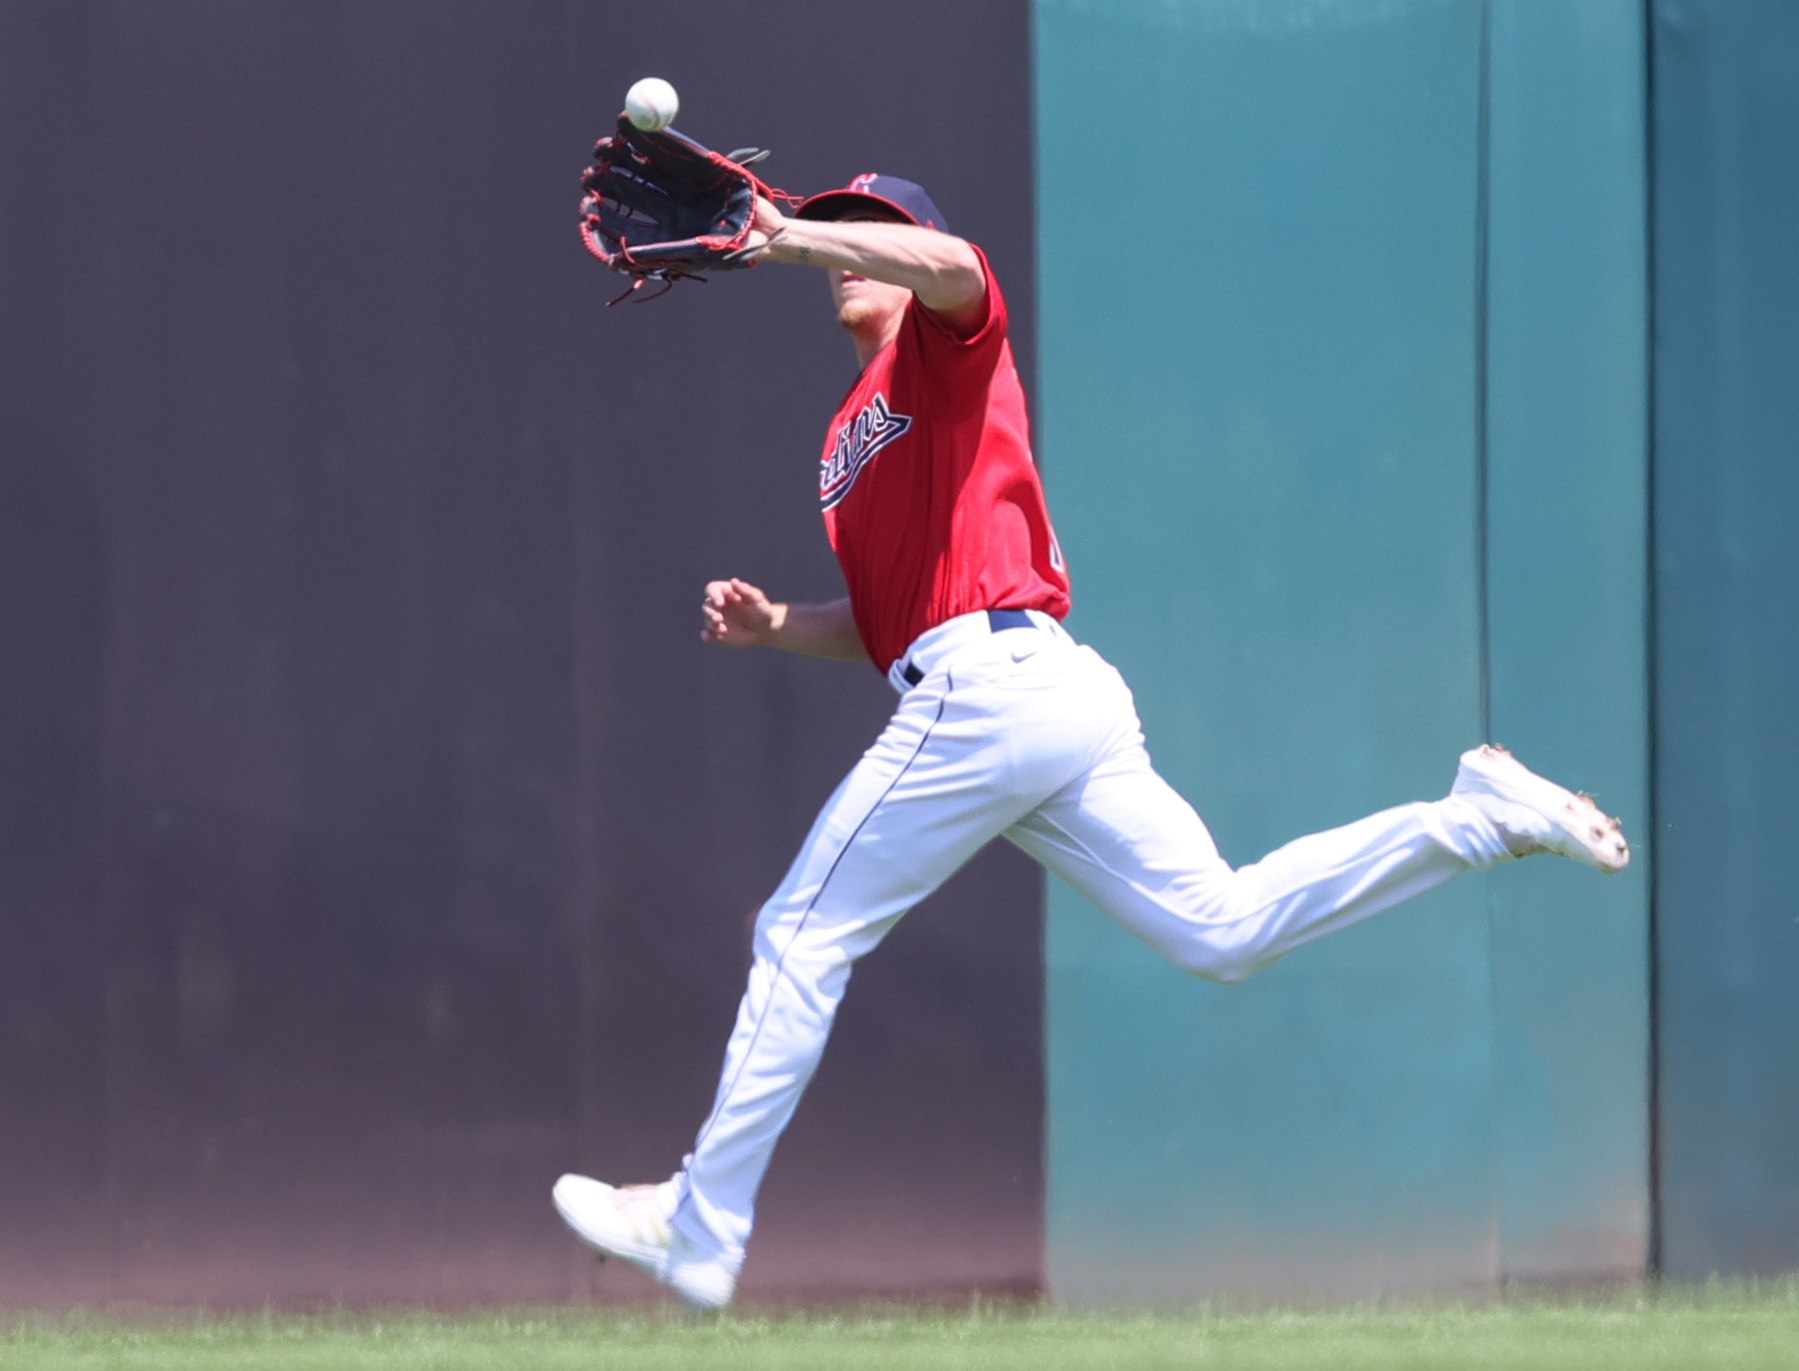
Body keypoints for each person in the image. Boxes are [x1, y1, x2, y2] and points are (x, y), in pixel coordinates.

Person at [551, 174, 1629, 1310]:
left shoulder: (946, 339)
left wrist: (794, 235)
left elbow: (961, 271)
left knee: (798, 934)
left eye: (876, 230)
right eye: (843, 231)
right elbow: (887, 627)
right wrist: (779, 627)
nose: (853, 251)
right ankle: (1469, 818)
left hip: (995, 689)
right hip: (1027, 691)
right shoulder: (841, 435)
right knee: (1221, 930)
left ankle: (698, 1222)